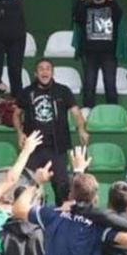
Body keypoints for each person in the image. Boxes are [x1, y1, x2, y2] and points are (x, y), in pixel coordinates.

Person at [14, 59, 88, 203]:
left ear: (52, 72)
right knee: (28, 185)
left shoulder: (63, 91)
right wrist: (19, 133)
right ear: (36, 73)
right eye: (41, 69)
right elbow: (16, 114)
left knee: (62, 188)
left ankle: (62, 219)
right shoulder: (27, 92)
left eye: (48, 68)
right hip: (33, 148)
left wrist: (81, 129)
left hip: (57, 148)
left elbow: (76, 112)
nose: (44, 71)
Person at [71, 0, 127, 108]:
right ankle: (88, 113)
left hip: (109, 54)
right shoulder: (86, 6)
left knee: (110, 84)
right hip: (90, 53)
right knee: (89, 85)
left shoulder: (112, 6)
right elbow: (76, 17)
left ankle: (113, 113)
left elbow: (119, 16)